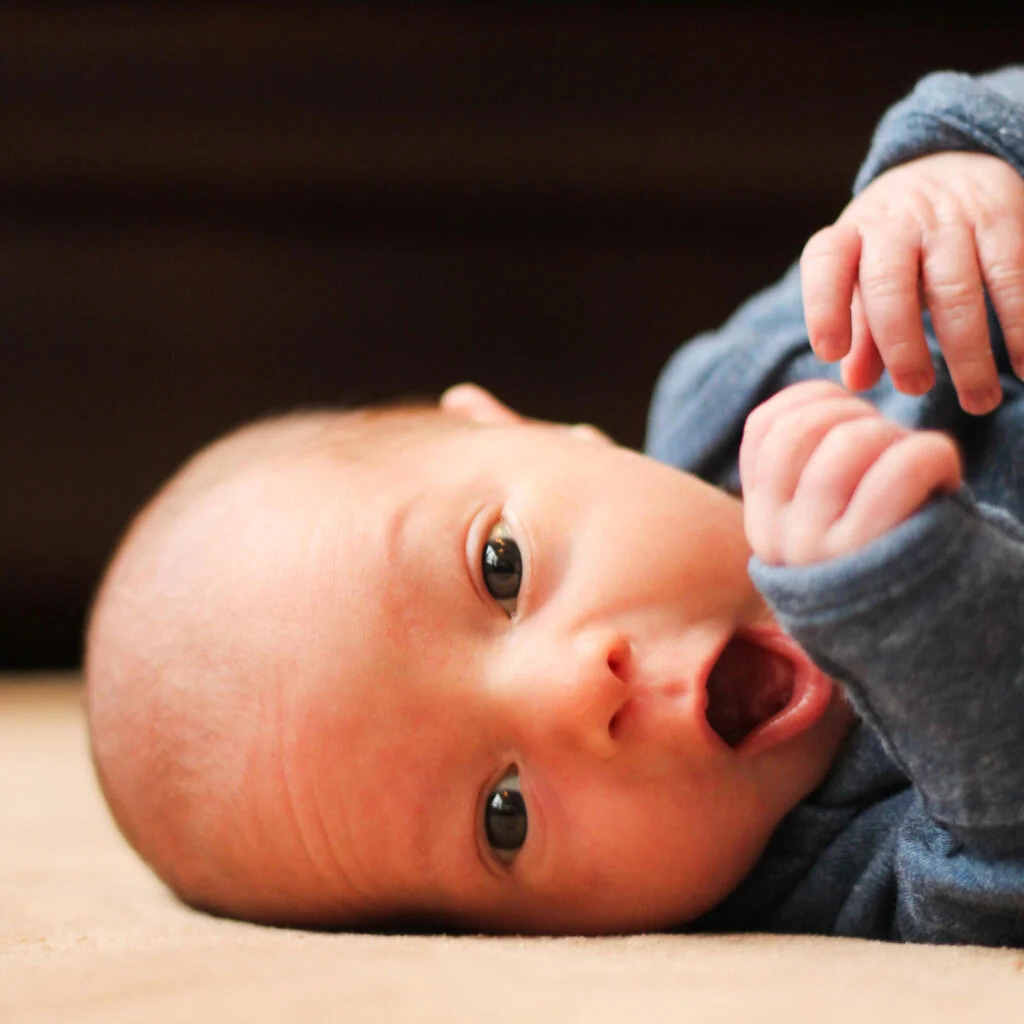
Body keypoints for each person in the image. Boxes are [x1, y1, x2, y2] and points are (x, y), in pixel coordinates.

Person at [84, 66, 1024, 944]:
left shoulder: (751, 382)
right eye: (507, 814)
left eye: (502, 567)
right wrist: (912, 611)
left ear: (528, 428)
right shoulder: (858, 876)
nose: (579, 692)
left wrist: (954, 174)